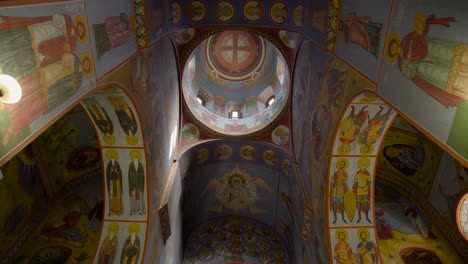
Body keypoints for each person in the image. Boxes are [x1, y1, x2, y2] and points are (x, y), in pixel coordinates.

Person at [387, 14, 468, 107]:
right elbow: (409, 74)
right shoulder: (401, 62)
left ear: (395, 42)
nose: (393, 48)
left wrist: (423, 25)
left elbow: (419, 33)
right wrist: (409, 61)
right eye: (392, 50)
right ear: (392, 54)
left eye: (392, 46)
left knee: (448, 52)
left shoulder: (406, 40)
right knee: (440, 74)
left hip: (429, 48)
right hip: (424, 66)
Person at [353, 158, 372, 223]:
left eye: (364, 164)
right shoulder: (357, 173)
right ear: (360, 165)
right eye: (361, 164)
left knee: (366, 204)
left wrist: (367, 186)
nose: (362, 165)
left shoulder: (367, 173)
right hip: (359, 190)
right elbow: (355, 182)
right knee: (358, 205)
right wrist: (352, 188)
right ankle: (359, 217)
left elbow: (369, 182)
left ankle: (367, 217)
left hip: (365, 191)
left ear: (365, 165)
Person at [331, 159, 349, 224]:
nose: (341, 165)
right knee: (334, 206)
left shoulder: (345, 173)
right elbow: (332, 182)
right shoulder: (336, 173)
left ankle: (343, 218)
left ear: (344, 165)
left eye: (343, 164)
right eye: (340, 164)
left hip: (341, 191)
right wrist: (333, 187)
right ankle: (335, 219)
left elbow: (345, 183)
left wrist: (348, 190)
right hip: (335, 191)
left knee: (342, 206)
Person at [106, 150, 124, 216]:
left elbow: (120, 173)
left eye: (113, 155)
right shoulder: (108, 164)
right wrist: (111, 172)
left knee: (117, 196)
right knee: (112, 197)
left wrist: (116, 172)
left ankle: (118, 211)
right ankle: (112, 211)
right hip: (111, 182)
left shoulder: (117, 164)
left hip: (117, 182)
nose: (112, 156)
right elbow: (107, 174)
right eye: (111, 155)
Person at [128, 151, 145, 216]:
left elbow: (143, 176)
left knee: (139, 198)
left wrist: (142, 185)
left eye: (136, 156)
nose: (135, 156)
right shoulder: (131, 165)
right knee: (133, 197)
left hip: (139, 185)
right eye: (134, 155)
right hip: (133, 185)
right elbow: (129, 176)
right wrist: (130, 186)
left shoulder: (140, 165)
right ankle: (132, 210)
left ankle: (139, 210)